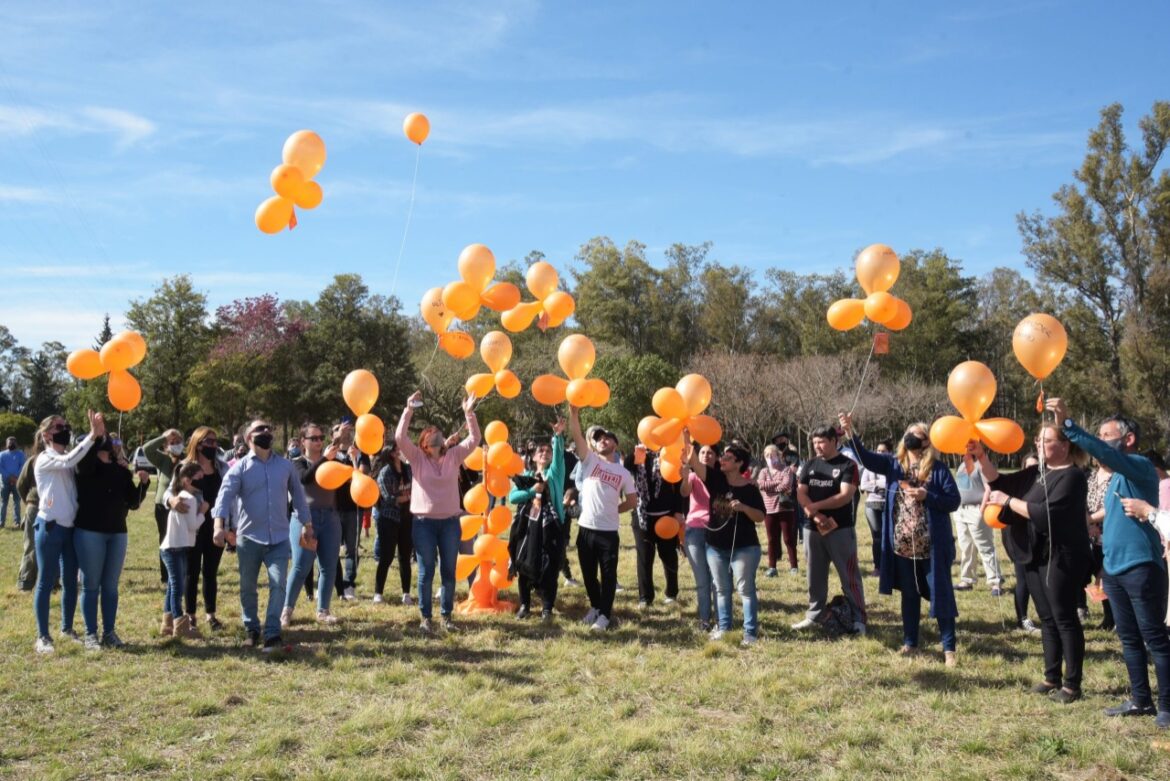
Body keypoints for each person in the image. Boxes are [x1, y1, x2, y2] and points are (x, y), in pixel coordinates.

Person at [1053, 399, 1170, 727]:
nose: (1101, 441)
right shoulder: (1117, 477)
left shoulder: (1139, 466)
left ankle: (1167, 706)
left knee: (1155, 637)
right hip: (1115, 567)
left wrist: (1069, 425)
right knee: (1129, 638)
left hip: (1141, 566)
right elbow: (1114, 509)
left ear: (1128, 439)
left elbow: (1105, 454)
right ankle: (1140, 700)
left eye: (1106, 435)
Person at [981, 423, 1091, 699]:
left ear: (1065, 446)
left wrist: (1008, 501)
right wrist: (981, 456)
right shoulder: (1037, 472)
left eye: (1047, 440)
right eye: (1038, 439)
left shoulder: (1073, 477)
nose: (1039, 444)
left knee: (1064, 619)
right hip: (1033, 554)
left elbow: (1044, 515)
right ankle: (1051, 677)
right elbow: (1001, 482)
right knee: (1046, 618)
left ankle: (1072, 684)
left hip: (1061, 557)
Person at [844, 415, 961, 664]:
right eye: (909, 432)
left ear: (928, 442)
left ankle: (949, 648)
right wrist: (850, 432)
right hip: (902, 546)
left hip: (931, 546)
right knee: (909, 594)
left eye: (918, 434)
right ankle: (910, 643)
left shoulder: (937, 470)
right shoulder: (894, 464)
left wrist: (927, 495)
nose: (911, 437)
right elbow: (864, 457)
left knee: (941, 595)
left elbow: (954, 501)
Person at [211, 418, 312, 652]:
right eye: (260, 429)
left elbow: (298, 496)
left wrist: (307, 524)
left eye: (268, 428)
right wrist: (219, 526)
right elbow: (223, 498)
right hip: (249, 539)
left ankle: (272, 633)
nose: (266, 431)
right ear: (249, 438)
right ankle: (251, 629)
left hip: (278, 538)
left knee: (278, 584)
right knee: (248, 587)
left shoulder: (285, 466)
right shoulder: (239, 468)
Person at [396, 390, 480, 634]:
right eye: (432, 438)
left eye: (440, 436)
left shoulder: (453, 456)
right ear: (424, 444)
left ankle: (446, 617)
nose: (438, 439)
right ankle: (425, 618)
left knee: (448, 571)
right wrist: (408, 409)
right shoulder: (417, 459)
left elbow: (474, 439)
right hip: (423, 523)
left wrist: (469, 413)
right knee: (426, 570)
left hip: (450, 523)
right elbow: (401, 437)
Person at [31, 410, 104, 653]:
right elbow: (69, 460)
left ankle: (66, 628)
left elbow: (76, 464)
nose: (64, 429)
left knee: (71, 582)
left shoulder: (67, 457)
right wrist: (91, 436)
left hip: (69, 529)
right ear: (45, 435)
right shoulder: (45, 458)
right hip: (50, 527)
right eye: (58, 427)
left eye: (65, 425)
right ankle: (42, 636)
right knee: (45, 581)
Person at [73, 433, 150, 649]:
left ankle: (109, 633)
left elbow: (133, 502)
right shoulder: (85, 467)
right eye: (107, 440)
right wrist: (93, 432)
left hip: (117, 533)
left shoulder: (121, 471)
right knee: (90, 586)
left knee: (110, 587)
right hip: (90, 531)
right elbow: (86, 462)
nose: (113, 443)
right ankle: (90, 635)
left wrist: (143, 484)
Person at [792, 424, 867, 635]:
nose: (817, 446)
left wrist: (816, 506)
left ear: (834, 441)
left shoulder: (848, 465)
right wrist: (815, 514)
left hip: (841, 529)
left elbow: (845, 496)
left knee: (849, 575)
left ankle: (859, 619)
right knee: (814, 574)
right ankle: (815, 614)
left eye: (822, 442)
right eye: (815, 442)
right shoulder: (809, 465)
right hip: (812, 528)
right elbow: (801, 493)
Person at [567, 405, 637, 631]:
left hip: (608, 532)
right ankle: (596, 607)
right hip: (586, 529)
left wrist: (614, 510)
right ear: (593, 446)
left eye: (607, 438)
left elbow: (632, 501)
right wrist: (574, 414)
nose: (603, 440)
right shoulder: (589, 462)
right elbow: (577, 435)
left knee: (608, 575)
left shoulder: (623, 473)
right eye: (599, 439)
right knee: (588, 574)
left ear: (615, 445)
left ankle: (605, 615)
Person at [694, 442, 767, 645]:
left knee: (745, 589)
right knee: (721, 588)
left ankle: (750, 632)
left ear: (739, 463)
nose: (722, 460)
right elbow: (695, 463)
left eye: (728, 458)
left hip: (745, 547)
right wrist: (685, 438)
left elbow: (760, 516)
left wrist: (744, 508)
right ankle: (724, 627)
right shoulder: (716, 479)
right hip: (715, 546)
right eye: (722, 457)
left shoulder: (750, 489)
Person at [166, 426, 230, 632]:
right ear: (198, 444)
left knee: (210, 572)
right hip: (191, 527)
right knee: (191, 573)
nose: (213, 445)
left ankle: (211, 615)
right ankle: (190, 615)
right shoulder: (185, 466)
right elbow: (169, 491)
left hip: (216, 526)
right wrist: (172, 500)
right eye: (208, 442)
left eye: (215, 441)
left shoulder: (223, 468)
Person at [282, 423, 344, 627]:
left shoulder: (333, 460)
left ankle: (323, 610)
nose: (318, 442)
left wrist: (340, 445)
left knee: (328, 566)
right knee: (301, 566)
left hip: (330, 518)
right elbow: (306, 479)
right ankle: (287, 610)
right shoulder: (297, 462)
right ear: (302, 442)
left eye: (320, 438)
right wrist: (326, 459)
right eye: (314, 438)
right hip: (304, 520)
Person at [508, 418, 567, 622]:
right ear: (532, 457)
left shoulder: (554, 474)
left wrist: (558, 437)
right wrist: (532, 490)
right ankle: (524, 605)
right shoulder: (526, 475)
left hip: (550, 526)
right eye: (540, 451)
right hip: (527, 526)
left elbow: (559, 457)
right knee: (523, 561)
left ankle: (547, 608)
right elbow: (513, 497)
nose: (544, 452)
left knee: (550, 565)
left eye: (547, 451)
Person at [624, 444, 684, 609]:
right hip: (642, 518)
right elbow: (628, 466)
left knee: (669, 555)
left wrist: (679, 511)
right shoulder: (639, 456)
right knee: (644, 558)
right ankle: (645, 597)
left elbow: (679, 485)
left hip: (667, 517)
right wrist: (636, 455)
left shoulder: (669, 456)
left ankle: (671, 593)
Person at [161, 462, 208, 639]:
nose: (202, 481)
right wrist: (203, 511)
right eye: (199, 478)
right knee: (178, 588)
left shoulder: (183, 494)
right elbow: (192, 525)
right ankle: (180, 625)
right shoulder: (188, 498)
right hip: (174, 548)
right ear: (187, 480)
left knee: (173, 586)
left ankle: (167, 624)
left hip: (175, 547)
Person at [953, 443, 1004, 595]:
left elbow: (989, 487)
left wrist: (981, 510)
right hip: (961, 511)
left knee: (985, 547)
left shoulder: (981, 465)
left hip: (976, 510)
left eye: (968, 448)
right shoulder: (962, 465)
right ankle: (967, 579)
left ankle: (995, 582)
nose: (965, 450)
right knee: (966, 547)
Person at [681, 443, 720, 631]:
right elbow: (684, 492)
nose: (706, 455)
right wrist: (684, 477)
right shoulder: (693, 476)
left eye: (710, 452)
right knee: (702, 581)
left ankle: (722, 620)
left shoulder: (721, 477)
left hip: (716, 530)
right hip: (695, 530)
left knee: (717, 580)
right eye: (702, 452)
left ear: (716, 456)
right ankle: (704, 620)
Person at [372, 442, 414, 606]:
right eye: (400, 450)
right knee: (386, 557)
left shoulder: (408, 470)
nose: (403, 452)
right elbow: (387, 497)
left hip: (407, 518)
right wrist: (404, 497)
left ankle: (406, 593)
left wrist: (407, 497)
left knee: (405, 556)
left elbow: (415, 488)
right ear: (393, 454)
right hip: (388, 519)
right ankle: (378, 593)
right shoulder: (385, 472)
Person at [141, 429, 186, 583]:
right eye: (172, 443)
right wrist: (163, 438)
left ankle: (182, 572)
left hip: (182, 507)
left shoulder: (187, 460)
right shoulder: (163, 460)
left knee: (182, 540)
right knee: (165, 540)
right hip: (163, 507)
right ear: (166, 446)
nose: (176, 445)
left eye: (178, 442)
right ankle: (166, 576)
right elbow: (146, 449)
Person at [331, 421, 367, 601]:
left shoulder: (360, 452)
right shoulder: (330, 453)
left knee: (351, 549)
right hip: (333, 508)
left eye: (346, 428)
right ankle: (336, 584)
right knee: (332, 549)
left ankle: (348, 584)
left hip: (353, 508)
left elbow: (360, 478)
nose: (344, 430)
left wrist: (354, 459)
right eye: (338, 429)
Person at [756, 444, 799, 577]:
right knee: (771, 539)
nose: (770, 458)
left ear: (778, 456)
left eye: (772, 455)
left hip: (784, 508)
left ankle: (793, 566)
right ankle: (772, 567)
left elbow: (786, 485)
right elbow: (761, 485)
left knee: (788, 538)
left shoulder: (786, 470)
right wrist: (776, 483)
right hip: (768, 510)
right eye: (767, 456)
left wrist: (771, 487)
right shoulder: (763, 471)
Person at [1086, 460, 1115, 631]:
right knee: (1098, 575)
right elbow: (1082, 501)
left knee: (1108, 576)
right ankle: (1108, 617)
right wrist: (1089, 525)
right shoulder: (1090, 477)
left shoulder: (1117, 478)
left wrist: (1091, 520)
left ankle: (1117, 617)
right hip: (1091, 535)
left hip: (1110, 533)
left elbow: (1112, 506)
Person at [857, 439, 891, 577]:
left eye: (883, 451)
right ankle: (878, 567)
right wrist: (879, 486)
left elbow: (893, 483)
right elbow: (863, 485)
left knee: (889, 536)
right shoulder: (869, 466)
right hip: (872, 505)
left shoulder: (892, 466)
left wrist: (875, 483)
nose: (880, 453)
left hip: (889, 504)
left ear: (889, 452)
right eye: (878, 451)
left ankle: (890, 566)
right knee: (877, 537)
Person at [16, 454, 39, 591]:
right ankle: (26, 581)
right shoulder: (33, 460)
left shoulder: (63, 457)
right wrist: (29, 502)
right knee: (31, 545)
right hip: (35, 506)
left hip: (55, 509)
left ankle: (53, 581)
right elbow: (21, 484)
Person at [1, 435, 26, 528]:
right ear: (6, 444)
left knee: (17, 502)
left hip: (17, 481)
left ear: (16, 443)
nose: (11, 443)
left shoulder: (20, 454)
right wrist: (9, 477)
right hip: (5, 482)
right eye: (9, 442)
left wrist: (15, 477)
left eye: (13, 442)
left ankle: (17, 522)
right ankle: (1, 522)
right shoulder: (2, 455)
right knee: (4, 502)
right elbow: (1, 468)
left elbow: (22, 466)